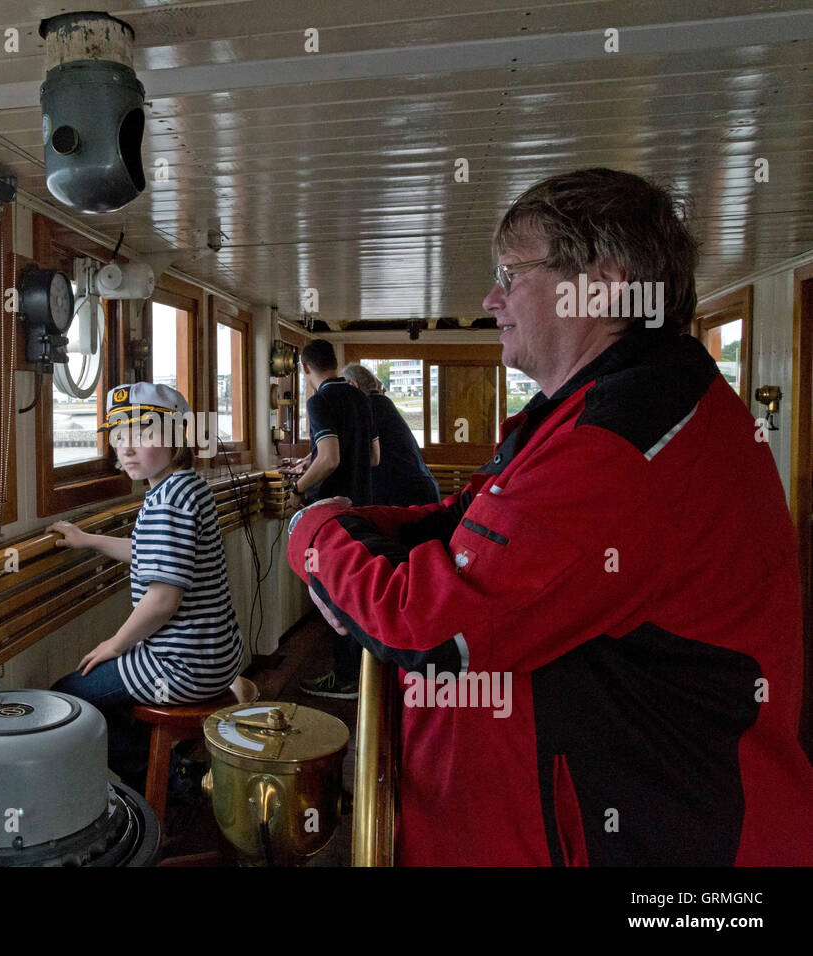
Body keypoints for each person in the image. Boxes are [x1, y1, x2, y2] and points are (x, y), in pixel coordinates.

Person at [288, 167, 813, 865]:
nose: (491, 298)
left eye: (510, 273)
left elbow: (429, 628)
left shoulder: (626, 444)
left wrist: (312, 535)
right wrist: (361, 526)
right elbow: (469, 527)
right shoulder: (600, 409)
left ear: (605, 282)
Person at [47, 382, 244, 792]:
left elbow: (162, 600)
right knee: (102, 693)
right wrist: (91, 540)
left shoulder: (166, 501)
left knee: (66, 699)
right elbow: (151, 551)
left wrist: (115, 645)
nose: (127, 448)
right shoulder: (187, 487)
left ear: (176, 440)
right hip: (217, 658)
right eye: (119, 435)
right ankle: (165, 772)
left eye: (144, 434)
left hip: (183, 667)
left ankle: (165, 785)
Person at [287, 338, 380, 700]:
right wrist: (312, 461)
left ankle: (345, 679)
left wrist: (299, 487)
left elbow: (331, 458)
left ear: (305, 368)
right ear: (335, 362)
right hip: (365, 509)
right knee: (357, 593)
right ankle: (366, 677)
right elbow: (372, 456)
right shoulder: (361, 397)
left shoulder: (319, 400)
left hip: (332, 516)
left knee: (333, 595)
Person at [341, 361, 440, 507]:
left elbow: (351, 450)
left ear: (353, 385)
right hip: (421, 491)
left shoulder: (366, 409)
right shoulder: (382, 404)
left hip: (405, 497)